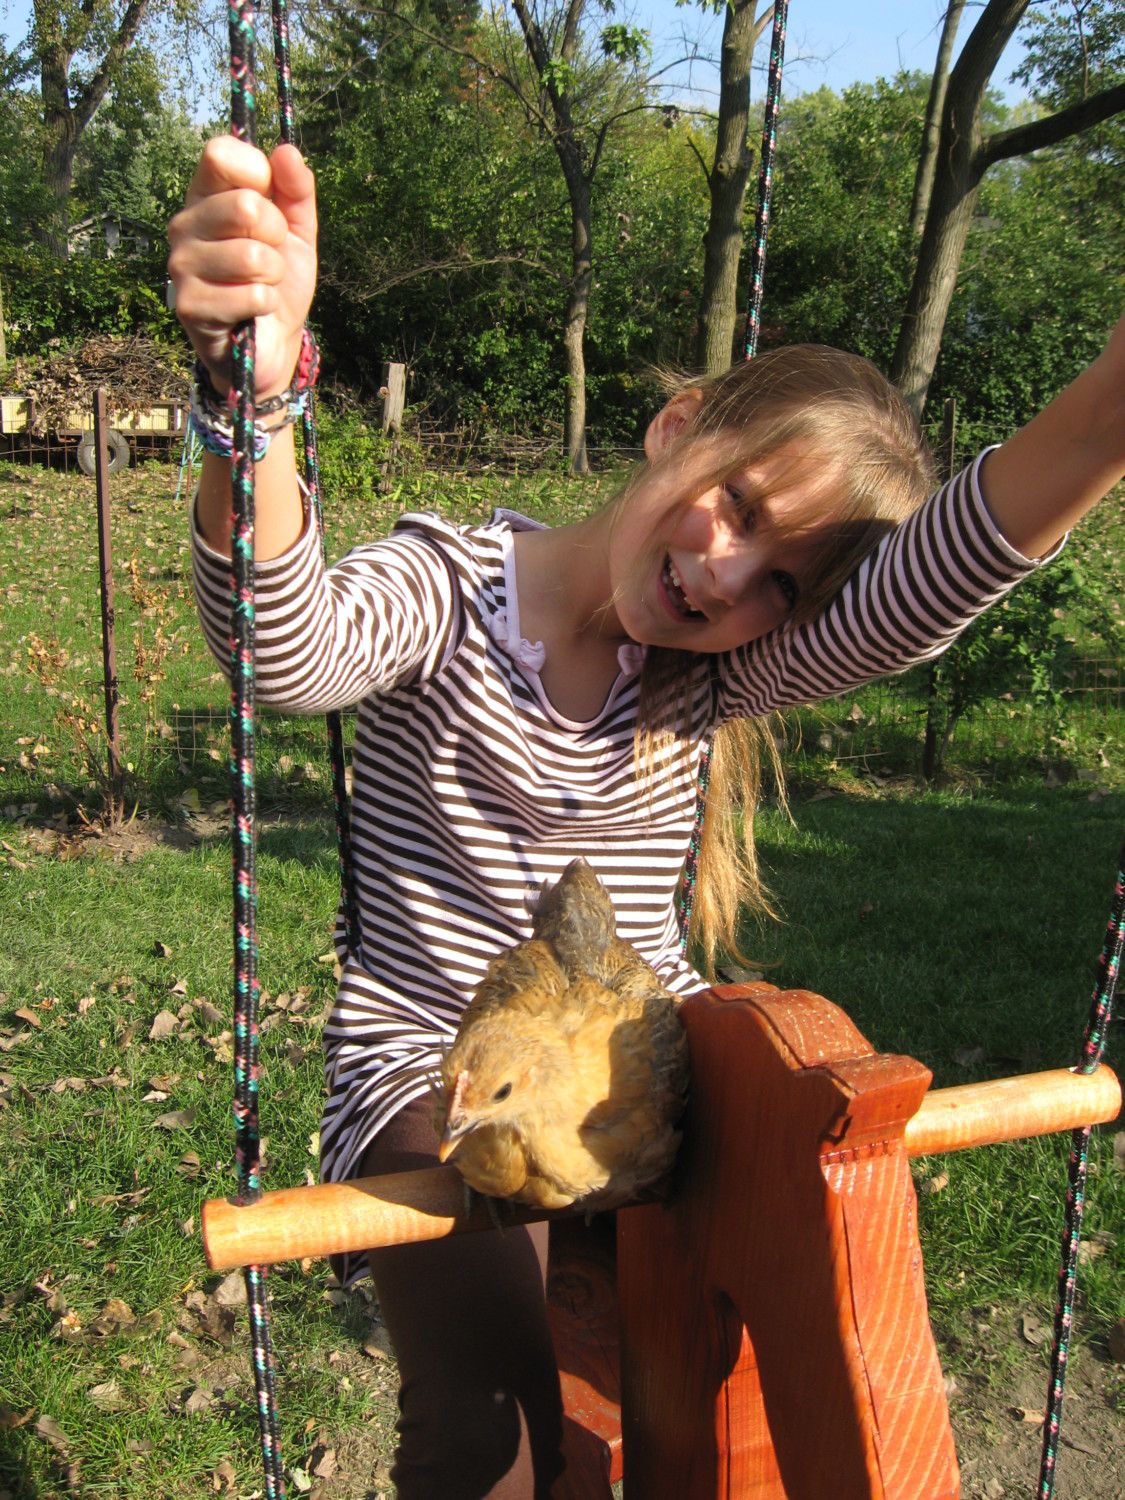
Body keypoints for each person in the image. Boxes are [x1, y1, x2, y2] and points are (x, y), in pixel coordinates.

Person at [168, 135, 1125, 1499]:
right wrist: (250, 408)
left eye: (780, 583)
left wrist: (1106, 412)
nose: (726, 572)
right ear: (677, 426)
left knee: (764, 1367)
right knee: (493, 1438)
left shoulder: (713, 675)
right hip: (432, 1067)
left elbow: (925, 585)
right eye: (736, 504)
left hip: (650, 1066)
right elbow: (283, 646)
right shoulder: (448, 591)